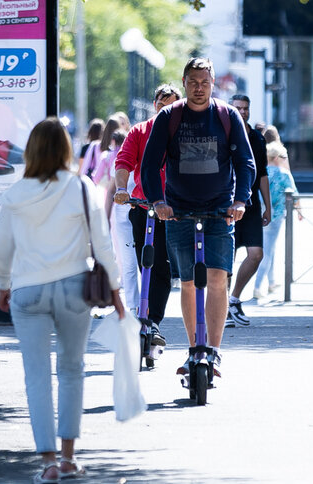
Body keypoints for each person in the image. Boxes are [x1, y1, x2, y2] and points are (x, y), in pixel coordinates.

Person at [0, 117, 124, 482]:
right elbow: (102, 244)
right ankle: (68, 458)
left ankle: (47, 463)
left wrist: (3, 283)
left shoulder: (15, 194)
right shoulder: (81, 188)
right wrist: (115, 289)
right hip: (72, 286)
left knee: (36, 375)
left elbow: (2, 248)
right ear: (67, 149)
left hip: (27, 290)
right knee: (71, 369)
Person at [140, 57, 255, 378]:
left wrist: (241, 201)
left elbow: (245, 162)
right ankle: (194, 349)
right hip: (178, 212)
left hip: (221, 211)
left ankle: (213, 352)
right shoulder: (169, 117)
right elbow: (149, 165)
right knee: (189, 282)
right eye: (193, 82)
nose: (199, 88)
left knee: (218, 279)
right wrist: (158, 201)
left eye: (205, 82)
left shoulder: (226, 116)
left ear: (213, 82)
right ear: (184, 82)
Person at [114, 84, 181, 344]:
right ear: (155, 105)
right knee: (147, 265)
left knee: (163, 267)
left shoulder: (182, 132)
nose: (168, 111)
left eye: (173, 107)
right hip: (145, 207)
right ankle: (143, 315)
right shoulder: (140, 131)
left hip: (175, 210)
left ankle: (152, 322)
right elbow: (124, 163)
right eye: (163, 106)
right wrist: (121, 188)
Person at [226, 94, 271, 326]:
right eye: (237, 108)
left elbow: (262, 172)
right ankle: (222, 306)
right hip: (226, 204)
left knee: (256, 255)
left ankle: (233, 299)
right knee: (226, 259)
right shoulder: (222, 133)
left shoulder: (256, 138)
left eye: (245, 108)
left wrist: (268, 207)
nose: (242, 112)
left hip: (251, 206)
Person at [92, 128, 139, 314]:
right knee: (127, 262)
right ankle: (133, 306)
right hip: (123, 217)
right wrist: (105, 217)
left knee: (147, 262)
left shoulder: (150, 158)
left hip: (145, 216)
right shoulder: (121, 161)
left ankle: (147, 306)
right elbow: (111, 190)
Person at [253, 141, 301, 299]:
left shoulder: (263, 172)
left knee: (268, 248)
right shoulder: (284, 173)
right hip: (277, 216)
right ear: (276, 157)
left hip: (261, 215)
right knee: (267, 251)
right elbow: (294, 195)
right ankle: (258, 286)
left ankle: (271, 282)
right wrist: (300, 211)